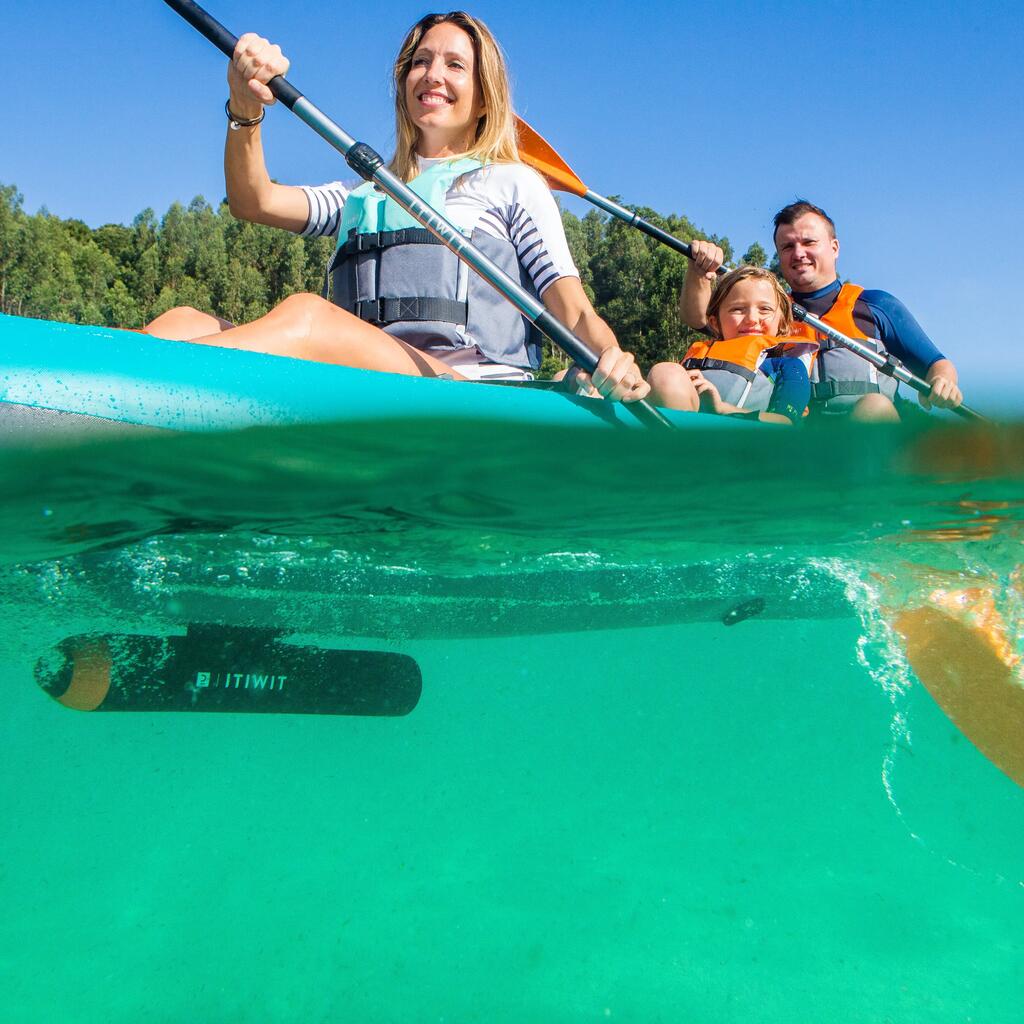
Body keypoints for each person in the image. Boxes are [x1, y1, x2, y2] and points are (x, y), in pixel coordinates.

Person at [145, 11, 649, 404]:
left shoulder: (513, 184)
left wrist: (610, 357)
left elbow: (573, 310)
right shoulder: (360, 194)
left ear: (483, 99)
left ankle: (137, 382)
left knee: (307, 315)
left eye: (455, 65)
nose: (432, 74)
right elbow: (252, 201)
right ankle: (103, 403)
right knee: (183, 321)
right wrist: (245, 106)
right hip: (363, 383)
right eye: (421, 61)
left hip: (470, 393)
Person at [678, 201, 963, 421]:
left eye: (808, 242)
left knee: (874, 406)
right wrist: (699, 272)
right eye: (787, 246)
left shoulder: (875, 305)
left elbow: (936, 365)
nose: (798, 253)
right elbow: (699, 318)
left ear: (834, 247)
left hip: (865, 436)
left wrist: (943, 382)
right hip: (795, 445)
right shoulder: (768, 313)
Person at [646, 266, 813, 425]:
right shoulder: (697, 358)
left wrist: (721, 408)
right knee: (665, 372)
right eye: (738, 309)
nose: (752, 319)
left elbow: (786, 421)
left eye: (764, 309)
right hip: (684, 427)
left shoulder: (790, 366)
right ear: (715, 323)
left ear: (782, 322)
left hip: (748, 446)